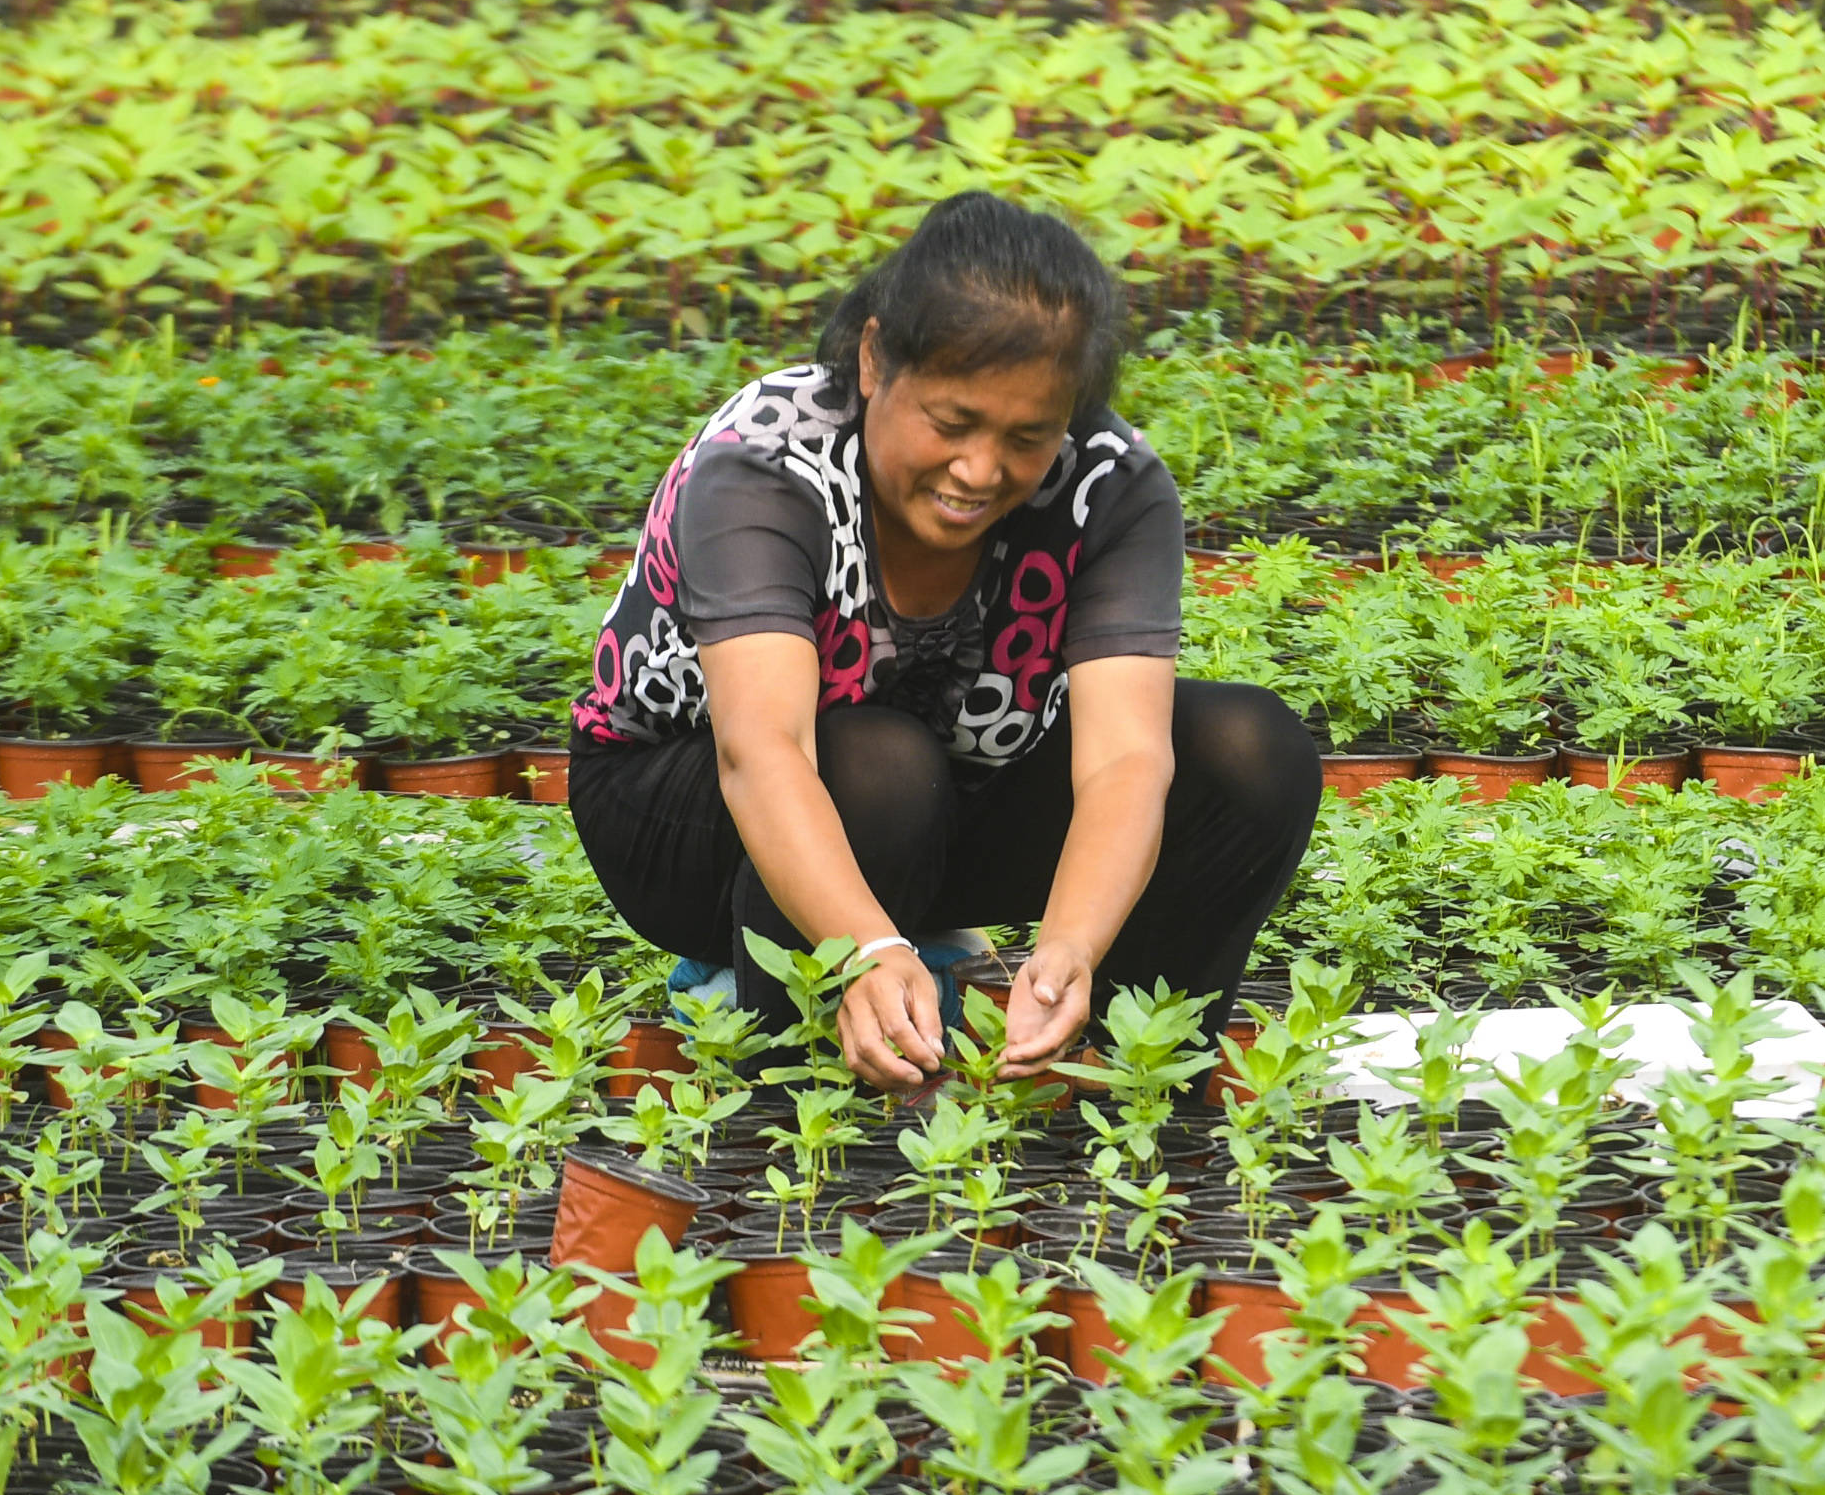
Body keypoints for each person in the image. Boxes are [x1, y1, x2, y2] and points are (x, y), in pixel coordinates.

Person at [565, 193, 1322, 1093]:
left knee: (1248, 753)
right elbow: (761, 749)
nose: (979, 470)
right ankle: (783, 1069)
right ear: (876, 358)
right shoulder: (768, 462)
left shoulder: (1111, 487)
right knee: (879, 762)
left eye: (1027, 436)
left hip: (949, 793)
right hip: (692, 817)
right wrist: (867, 948)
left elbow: (1125, 759)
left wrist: (1070, 946)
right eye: (953, 423)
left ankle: (1131, 1086)